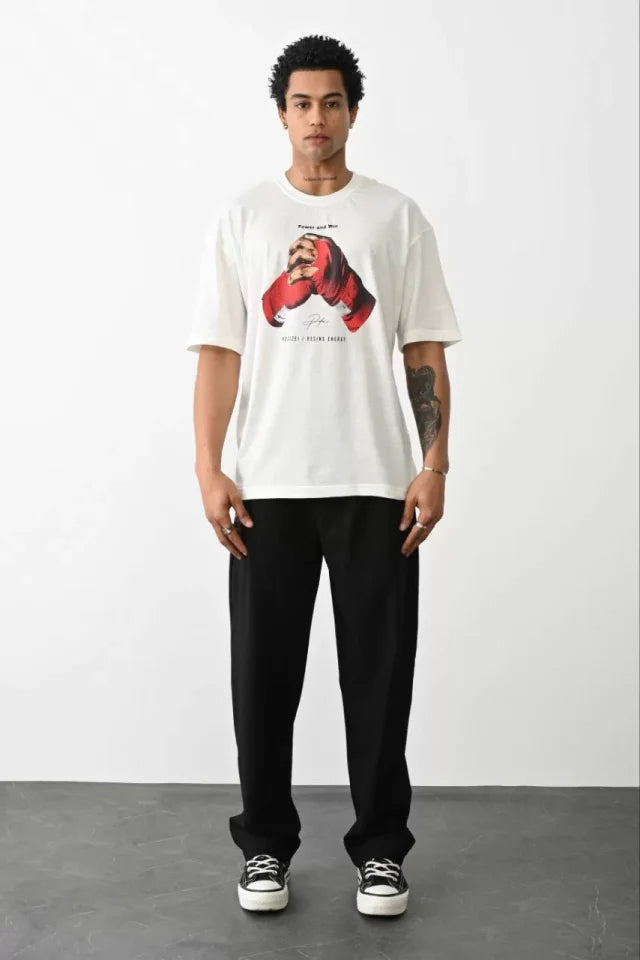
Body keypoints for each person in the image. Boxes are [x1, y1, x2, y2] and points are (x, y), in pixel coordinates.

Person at [186, 34, 463, 918]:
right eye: (303, 103)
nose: (317, 119)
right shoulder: (243, 217)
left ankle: (381, 852)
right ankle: (265, 846)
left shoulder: (395, 217)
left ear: (352, 112)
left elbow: (422, 348)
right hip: (268, 482)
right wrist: (209, 468)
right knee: (262, 678)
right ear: (282, 114)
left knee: (379, 678)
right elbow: (220, 353)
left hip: (376, 480)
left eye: (332, 103)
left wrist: (434, 462)